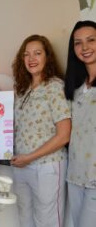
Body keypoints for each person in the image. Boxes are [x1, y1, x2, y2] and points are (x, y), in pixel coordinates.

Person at [11, 34, 71, 227]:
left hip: (47, 166)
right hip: (21, 165)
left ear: (47, 57)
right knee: (25, 219)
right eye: (26, 54)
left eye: (37, 53)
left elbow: (64, 135)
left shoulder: (55, 87)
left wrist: (30, 157)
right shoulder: (22, 90)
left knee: (48, 221)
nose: (31, 59)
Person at [64, 20, 96, 227]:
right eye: (78, 43)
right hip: (74, 174)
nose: (84, 48)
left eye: (91, 40)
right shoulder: (75, 87)